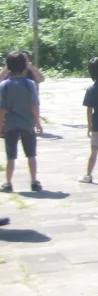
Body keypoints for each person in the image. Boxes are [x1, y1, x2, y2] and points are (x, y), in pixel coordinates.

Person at [0, 52, 43, 193]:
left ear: (8, 66)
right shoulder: (29, 84)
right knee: (31, 154)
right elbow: (34, 106)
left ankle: (8, 183)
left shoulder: (4, 85)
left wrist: (1, 125)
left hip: (10, 125)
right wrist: (38, 123)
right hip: (28, 124)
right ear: (25, 65)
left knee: (11, 156)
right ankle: (34, 181)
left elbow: (2, 109)